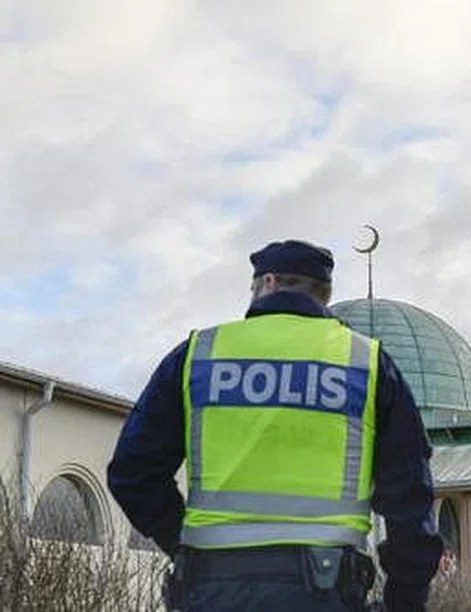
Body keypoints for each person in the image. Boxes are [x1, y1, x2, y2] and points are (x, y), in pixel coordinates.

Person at [108, 239, 443, 611]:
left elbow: (132, 473)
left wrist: (184, 544)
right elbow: (410, 500)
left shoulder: (199, 354)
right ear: (323, 295)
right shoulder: (366, 364)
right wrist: (404, 601)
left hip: (213, 589)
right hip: (326, 589)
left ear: (268, 283)